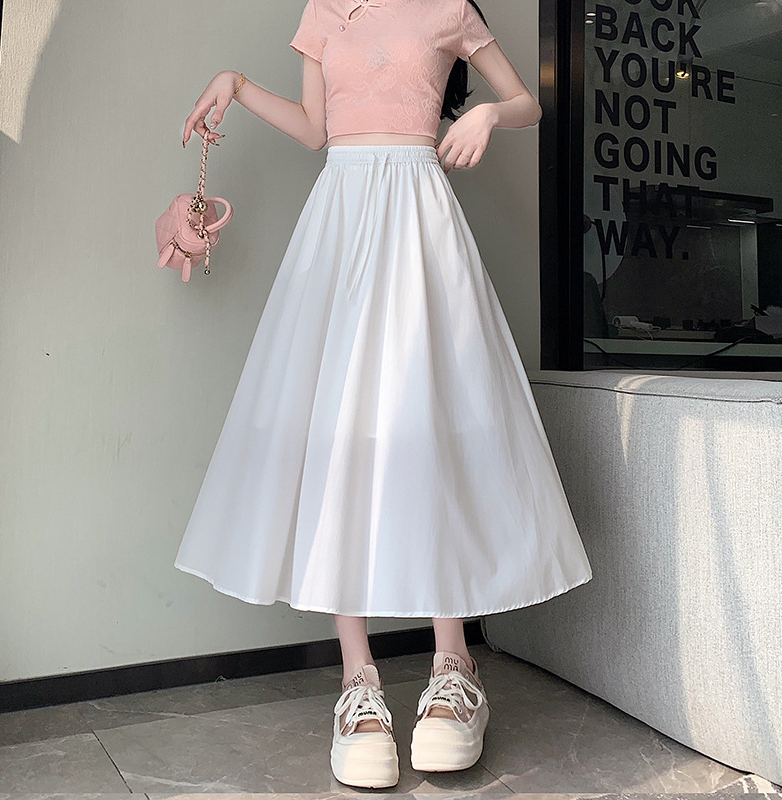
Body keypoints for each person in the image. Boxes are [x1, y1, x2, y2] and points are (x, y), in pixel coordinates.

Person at [175, 0, 593, 789]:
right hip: (340, 219)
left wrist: (487, 113)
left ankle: (453, 666)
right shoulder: (324, 10)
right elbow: (315, 130)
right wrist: (235, 82)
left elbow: (530, 103)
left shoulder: (448, 9)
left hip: (418, 218)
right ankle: (357, 681)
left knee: (431, 425)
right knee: (340, 431)